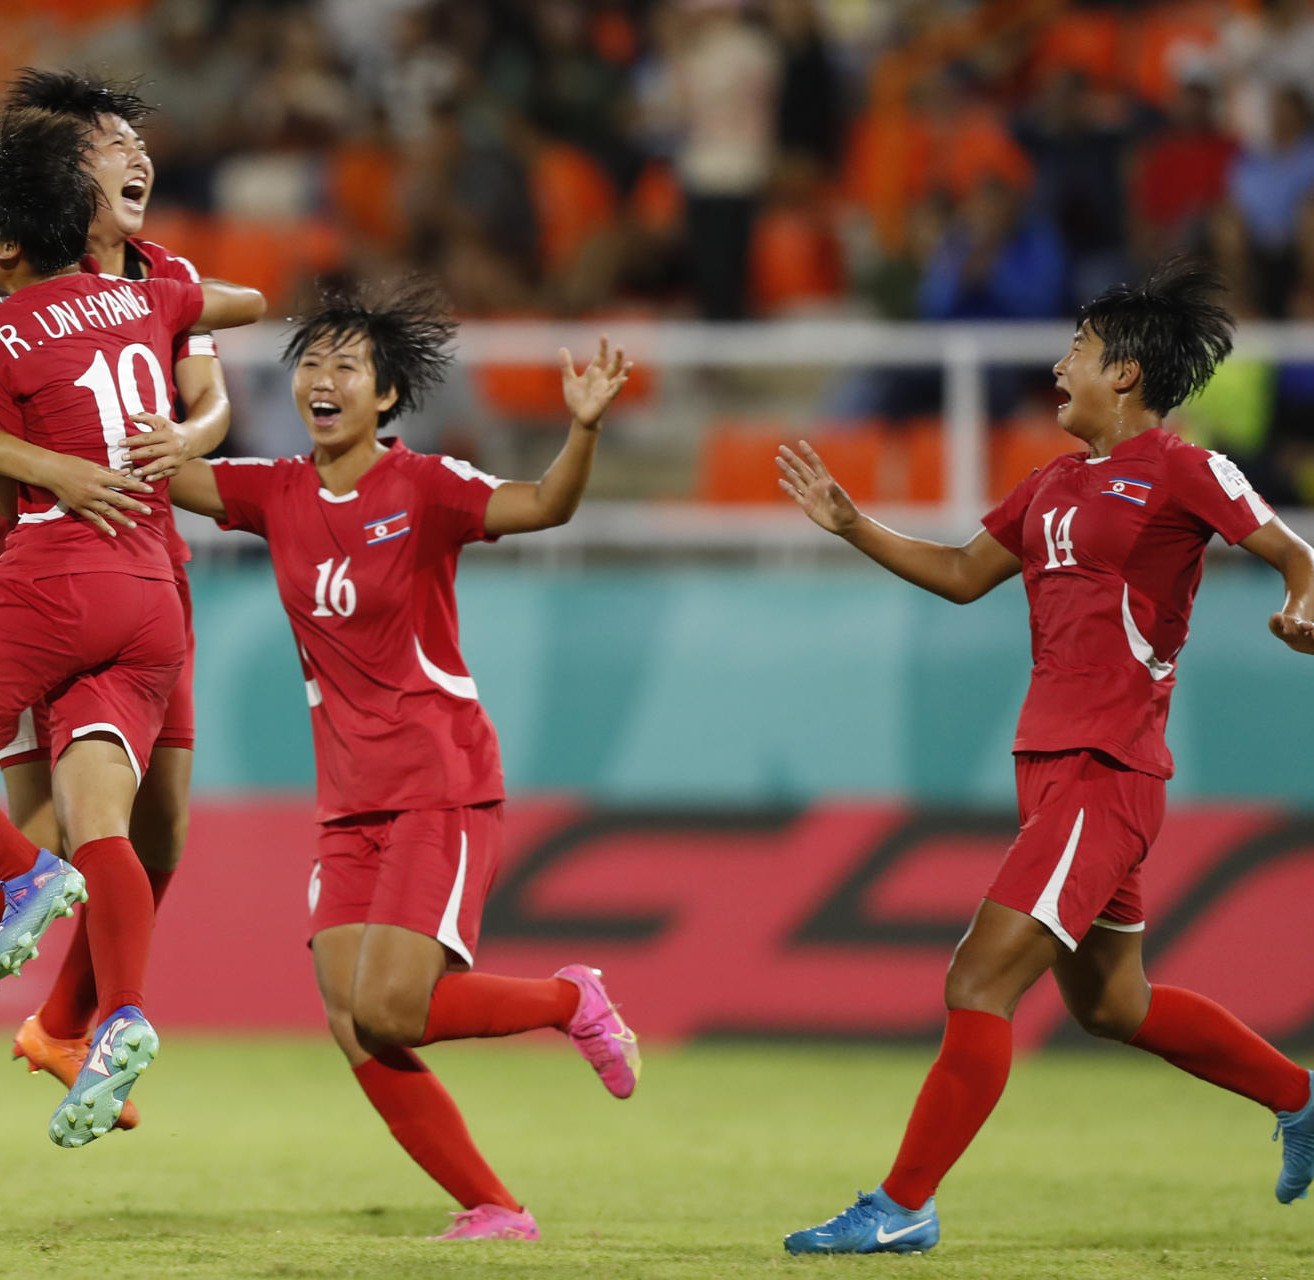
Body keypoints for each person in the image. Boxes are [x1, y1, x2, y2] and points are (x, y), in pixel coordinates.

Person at [776, 260, 1314, 1256]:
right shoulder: (1052, 484)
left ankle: (902, 1204)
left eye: (1075, 346)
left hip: (1109, 770)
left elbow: (1292, 548)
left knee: (978, 978)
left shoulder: (1182, 466)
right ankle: (1300, 1095)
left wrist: (1302, 599)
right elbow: (957, 572)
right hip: (1052, 767)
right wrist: (854, 524)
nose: (1057, 363)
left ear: (1125, 371)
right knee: (1116, 1003)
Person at [165, 281, 642, 1241]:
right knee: (351, 1020)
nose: (322, 379)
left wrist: (581, 430)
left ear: (386, 395)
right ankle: (494, 1208)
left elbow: (545, 505)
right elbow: (166, 473)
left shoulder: (426, 486)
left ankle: (570, 998)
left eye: (346, 365)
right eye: (310, 363)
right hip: (348, 801)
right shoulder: (277, 490)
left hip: (438, 779)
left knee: (390, 1010)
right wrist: (143, 360)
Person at [0, 109, 264, 1149]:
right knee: (46, 828)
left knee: (153, 829)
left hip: (151, 556)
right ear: (72, 181)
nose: (137, 156)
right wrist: (56, 471)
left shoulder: (156, 273)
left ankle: (74, 1021)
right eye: (110, 144)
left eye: (135, 139)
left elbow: (210, 393)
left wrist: (185, 438)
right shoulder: (9, 283)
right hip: (47, 555)